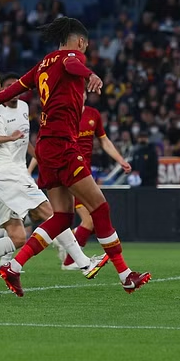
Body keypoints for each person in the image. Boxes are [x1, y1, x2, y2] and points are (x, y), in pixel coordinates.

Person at [0, 18, 151, 296]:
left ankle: (13, 266)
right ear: (80, 42)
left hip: (47, 144)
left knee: (61, 216)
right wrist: (90, 74)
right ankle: (125, 275)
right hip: (62, 144)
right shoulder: (72, 57)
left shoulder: (43, 64)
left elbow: (10, 92)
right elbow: (73, 64)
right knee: (100, 208)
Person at [0, 68, 107, 285]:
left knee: (17, 237)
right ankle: (85, 264)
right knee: (54, 214)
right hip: (3, 172)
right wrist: (8, 137)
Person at [30, 91, 132, 270]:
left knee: (81, 220)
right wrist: (30, 170)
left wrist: (120, 160)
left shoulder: (93, 115)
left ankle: (70, 249)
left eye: (82, 91)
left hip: (84, 175)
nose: (79, 93)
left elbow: (105, 141)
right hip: (68, 172)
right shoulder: (62, 113)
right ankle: (71, 261)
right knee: (89, 220)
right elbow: (45, 144)